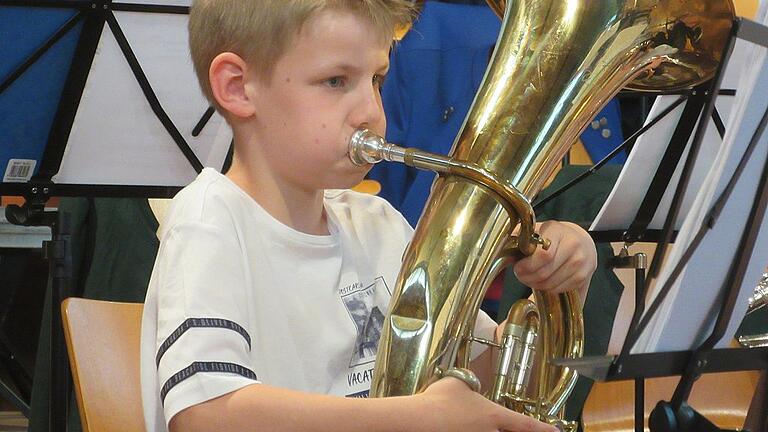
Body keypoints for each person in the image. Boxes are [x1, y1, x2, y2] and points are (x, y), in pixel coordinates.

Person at [140, 1, 598, 432]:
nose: (372, 114)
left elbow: (493, 384)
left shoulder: (378, 224)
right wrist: (413, 418)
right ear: (237, 87)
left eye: (376, 80)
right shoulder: (211, 220)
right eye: (336, 81)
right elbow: (205, 415)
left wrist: (563, 290)